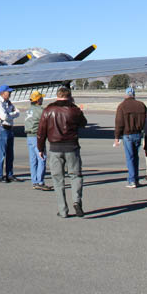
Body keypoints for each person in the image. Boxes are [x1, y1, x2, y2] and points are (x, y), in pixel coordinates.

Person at [37, 86, 88, 218]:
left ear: (57, 96)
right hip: (71, 147)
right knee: (75, 176)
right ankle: (76, 201)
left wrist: (40, 148)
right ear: (69, 96)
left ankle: (63, 210)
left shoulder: (48, 110)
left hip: (55, 148)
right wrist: (74, 106)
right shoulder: (74, 110)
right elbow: (84, 123)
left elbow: (41, 131)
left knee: (58, 179)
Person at [114, 86, 147, 188]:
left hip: (127, 134)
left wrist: (117, 136)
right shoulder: (141, 105)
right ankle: (135, 178)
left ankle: (132, 180)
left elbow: (119, 122)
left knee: (130, 158)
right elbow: (146, 121)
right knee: (135, 157)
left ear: (126, 94)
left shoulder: (122, 106)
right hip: (138, 133)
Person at [24, 91, 52, 190]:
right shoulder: (41, 110)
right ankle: (40, 182)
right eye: (41, 98)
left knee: (33, 160)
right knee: (42, 158)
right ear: (38, 100)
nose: (42, 99)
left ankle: (34, 181)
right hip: (37, 137)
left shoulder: (29, 110)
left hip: (29, 136)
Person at [0, 84, 20, 183]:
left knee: (10, 153)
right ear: (3, 93)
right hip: (2, 129)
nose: (10, 94)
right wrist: (11, 114)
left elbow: (18, 112)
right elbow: (4, 116)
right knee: (2, 153)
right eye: (9, 92)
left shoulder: (8, 103)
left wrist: (10, 114)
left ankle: (10, 174)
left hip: (10, 128)